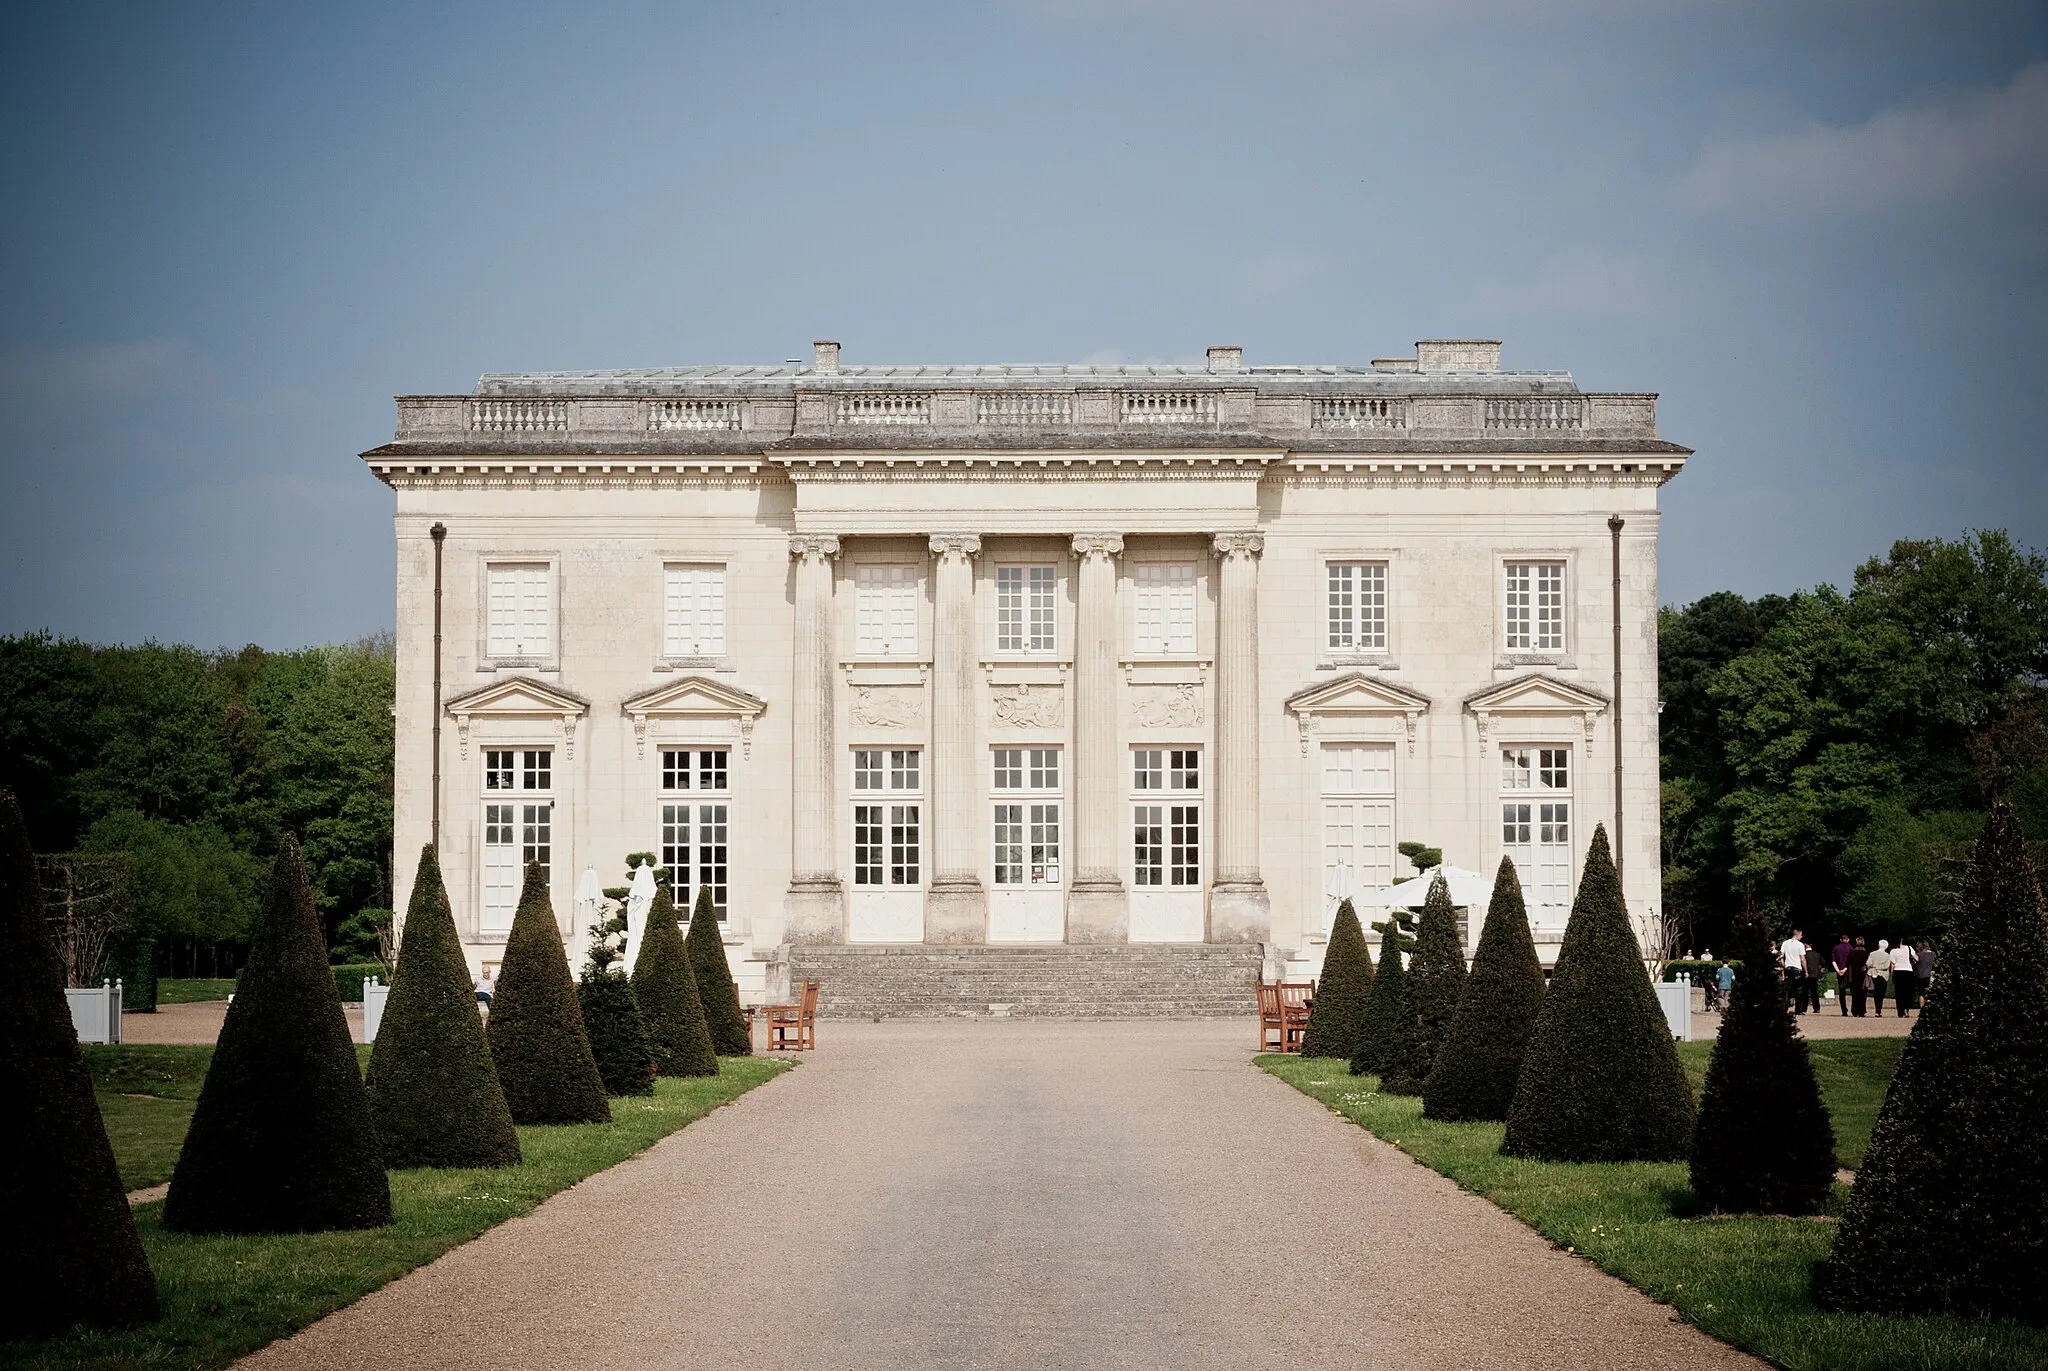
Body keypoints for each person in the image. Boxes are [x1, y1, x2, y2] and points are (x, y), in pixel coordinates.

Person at [1781, 929, 1809, 1014]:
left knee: (1787, 989)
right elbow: (1802, 959)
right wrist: (1806, 971)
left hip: (1788, 968)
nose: (1801, 937)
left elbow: (1781, 956)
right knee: (1799, 990)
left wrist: (1783, 965)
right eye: (1801, 935)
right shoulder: (1800, 945)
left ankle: (1784, 1008)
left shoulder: (1785, 943)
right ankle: (1798, 1010)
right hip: (1797, 968)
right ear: (1797, 934)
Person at [1890, 938, 1919, 1015]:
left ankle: (1900, 1011)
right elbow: (1917, 958)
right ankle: (1907, 1009)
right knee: (1908, 991)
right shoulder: (1909, 948)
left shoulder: (1893, 951)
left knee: (1899, 992)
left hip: (1898, 971)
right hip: (1908, 971)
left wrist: (1892, 974)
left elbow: (1892, 964)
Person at [1831, 933, 1853, 1016]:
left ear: (1841, 940)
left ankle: (1844, 1010)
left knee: (1842, 991)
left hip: (1839, 970)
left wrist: (1838, 970)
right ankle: (1853, 1009)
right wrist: (1844, 969)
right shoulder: (1851, 948)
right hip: (1849, 972)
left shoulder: (1836, 948)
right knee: (1852, 991)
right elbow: (1850, 961)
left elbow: (1833, 960)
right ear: (1848, 940)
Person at [1848, 936, 1869, 1017]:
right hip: (1863, 974)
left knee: (1855, 994)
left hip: (1853, 975)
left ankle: (1854, 1010)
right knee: (1863, 994)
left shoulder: (1852, 953)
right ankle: (1862, 1010)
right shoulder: (1866, 953)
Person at [1869, 939, 1891, 1017]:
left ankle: (1877, 1010)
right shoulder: (1887, 955)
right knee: (1881, 994)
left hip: (1874, 974)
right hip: (1883, 976)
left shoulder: (1872, 954)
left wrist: (1875, 966)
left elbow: (1868, 963)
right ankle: (1879, 1010)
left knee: (1876, 994)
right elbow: (1886, 966)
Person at [1804, 939, 1826, 1013]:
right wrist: (1820, 972)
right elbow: (1824, 964)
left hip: (1806, 975)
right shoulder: (1817, 954)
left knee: (1805, 992)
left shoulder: (1804, 955)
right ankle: (1817, 1008)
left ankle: (1804, 1008)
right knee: (1814, 992)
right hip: (1815, 975)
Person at [1914, 939, 1936, 1006]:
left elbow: (1915, 963)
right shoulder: (1933, 954)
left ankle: (1922, 1008)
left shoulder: (1919, 955)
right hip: (1930, 975)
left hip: (1920, 975)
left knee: (1921, 993)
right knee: (1929, 993)